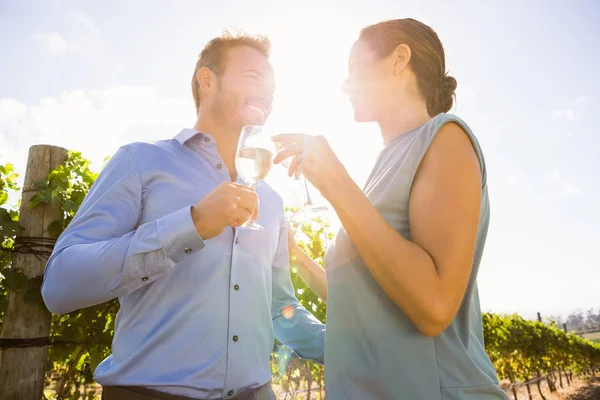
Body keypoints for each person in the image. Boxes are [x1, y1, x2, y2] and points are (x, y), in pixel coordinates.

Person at [41, 29, 325, 400]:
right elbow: (60, 286)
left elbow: (281, 310)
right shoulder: (141, 162)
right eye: (254, 78)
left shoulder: (270, 201)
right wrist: (191, 224)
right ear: (207, 80)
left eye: (271, 87)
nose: (267, 94)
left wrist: (365, 351)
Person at [274, 18, 509, 400]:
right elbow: (364, 298)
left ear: (399, 59)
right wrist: (296, 257)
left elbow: (433, 307)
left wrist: (336, 183)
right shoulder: (383, 167)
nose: (344, 85)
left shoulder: (444, 137)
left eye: (354, 68)